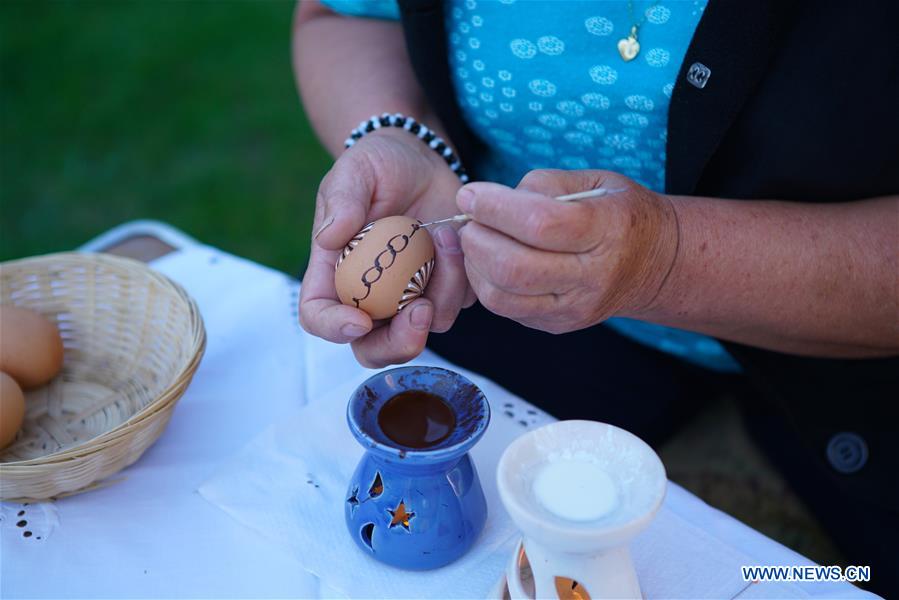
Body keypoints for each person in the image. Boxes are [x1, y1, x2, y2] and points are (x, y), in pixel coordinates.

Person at [293, 0, 898, 594]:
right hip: (505, 292)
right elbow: (347, 15)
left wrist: (666, 260)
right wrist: (401, 131)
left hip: (850, 350)